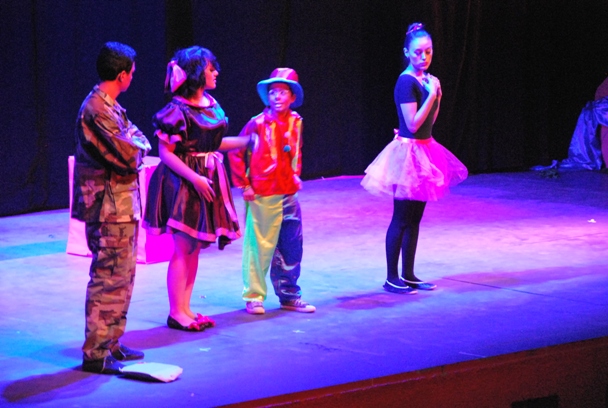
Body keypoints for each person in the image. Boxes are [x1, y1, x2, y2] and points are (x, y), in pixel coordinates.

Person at [144, 46, 251, 331]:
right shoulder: (176, 110)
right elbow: (166, 154)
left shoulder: (210, 104)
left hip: (205, 178)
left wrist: (246, 141)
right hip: (182, 182)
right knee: (183, 247)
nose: (216, 72)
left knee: (194, 248)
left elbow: (213, 144)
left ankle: (185, 307)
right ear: (195, 72)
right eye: (210, 68)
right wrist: (195, 178)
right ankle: (175, 312)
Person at [361, 23, 468, 295]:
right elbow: (412, 123)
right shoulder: (406, 81)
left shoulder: (425, 80)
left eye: (428, 52)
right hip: (407, 153)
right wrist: (431, 95)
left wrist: (437, 97)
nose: (424, 57)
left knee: (415, 218)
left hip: (425, 150)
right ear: (407, 52)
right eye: (418, 52)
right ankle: (391, 277)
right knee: (401, 217)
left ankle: (408, 274)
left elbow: (429, 122)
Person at [72, 42, 151, 374]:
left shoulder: (111, 106)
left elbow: (138, 140)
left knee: (123, 277)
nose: (133, 76)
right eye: (132, 72)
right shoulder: (97, 109)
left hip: (121, 205)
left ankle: (111, 342)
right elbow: (131, 152)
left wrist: (137, 144)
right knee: (108, 278)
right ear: (122, 75)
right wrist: (137, 146)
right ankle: (96, 352)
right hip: (108, 208)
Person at [228, 68, 315, 315]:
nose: (277, 96)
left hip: (288, 192)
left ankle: (289, 295)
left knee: (291, 245)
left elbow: (295, 151)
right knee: (259, 246)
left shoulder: (296, 122)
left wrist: (296, 172)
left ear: (292, 97)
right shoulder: (257, 123)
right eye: (273, 92)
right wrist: (244, 184)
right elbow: (235, 151)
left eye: (283, 92)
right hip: (263, 192)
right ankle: (254, 296)